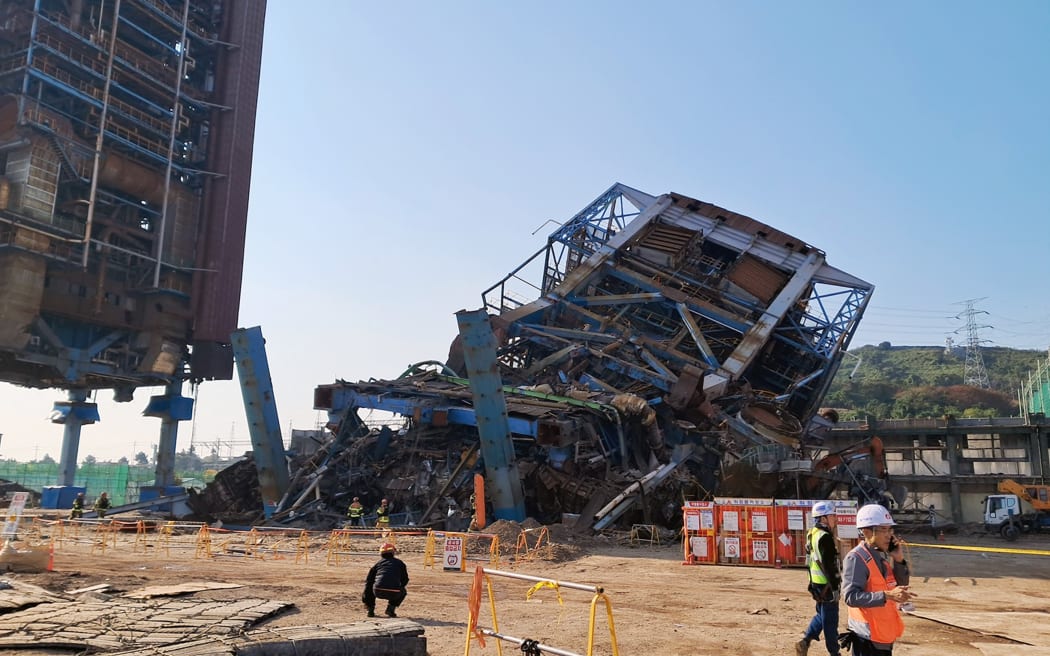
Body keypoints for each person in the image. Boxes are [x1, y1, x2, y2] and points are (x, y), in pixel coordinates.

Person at [840, 504, 916, 655]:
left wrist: (899, 560)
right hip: (867, 640)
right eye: (883, 530)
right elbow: (850, 597)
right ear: (867, 531)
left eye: (890, 530)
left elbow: (899, 585)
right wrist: (887, 595)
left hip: (883, 636)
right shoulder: (857, 558)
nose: (889, 535)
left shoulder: (881, 557)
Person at [797, 501, 841, 656]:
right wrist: (835, 588)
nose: (835, 518)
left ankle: (805, 641)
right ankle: (834, 653)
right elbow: (829, 566)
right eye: (832, 515)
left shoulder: (812, 533)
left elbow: (809, 560)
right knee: (830, 622)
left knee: (821, 615)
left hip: (817, 584)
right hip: (827, 585)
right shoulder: (825, 538)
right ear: (823, 518)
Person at [362, 542, 409, 618]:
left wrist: (365, 599)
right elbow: (405, 579)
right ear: (393, 552)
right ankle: (391, 609)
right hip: (394, 593)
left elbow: (369, 580)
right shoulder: (400, 563)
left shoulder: (378, 564)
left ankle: (370, 610)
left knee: (369, 586)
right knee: (403, 591)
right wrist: (398, 586)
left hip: (378, 590)